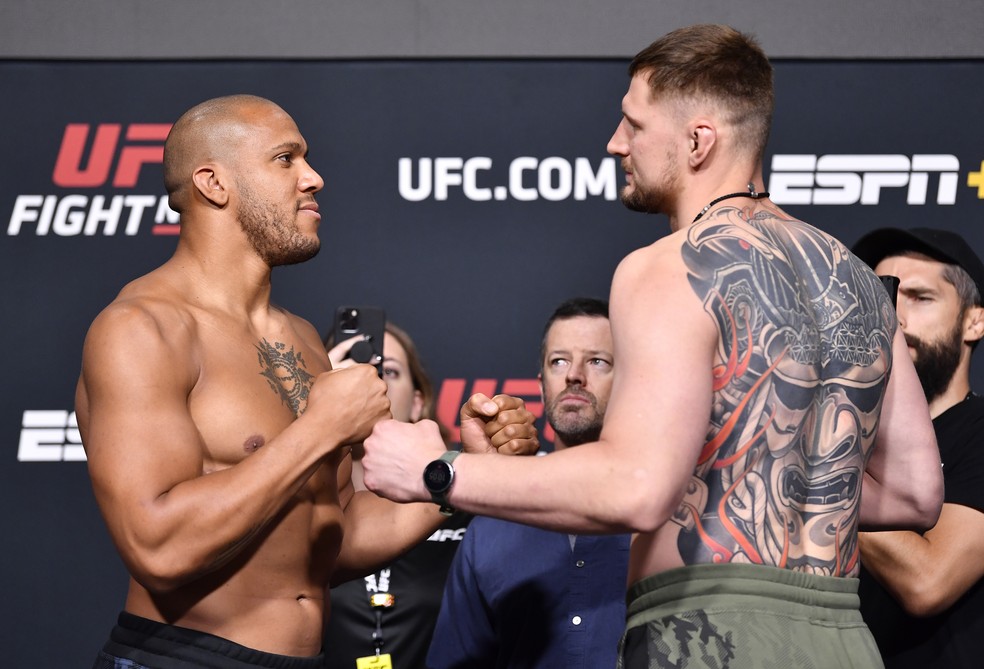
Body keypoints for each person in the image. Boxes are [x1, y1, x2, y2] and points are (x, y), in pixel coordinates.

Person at [360, 24, 945, 668]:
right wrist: (748, 486)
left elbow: (636, 488)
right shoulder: (857, 280)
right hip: (843, 638)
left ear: (698, 141)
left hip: (709, 636)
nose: (615, 143)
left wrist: (437, 471)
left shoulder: (671, 266)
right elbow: (916, 494)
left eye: (633, 125)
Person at [75, 94, 537, 668]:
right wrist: (320, 429)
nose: (313, 178)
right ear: (214, 184)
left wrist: (459, 471)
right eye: (285, 159)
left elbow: (332, 534)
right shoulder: (142, 329)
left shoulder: (299, 338)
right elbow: (157, 547)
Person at [427, 297, 629, 669]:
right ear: (541, 384)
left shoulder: (660, 512)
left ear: (630, 380)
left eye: (597, 361)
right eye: (559, 361)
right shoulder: (492, 525)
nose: (574, 375)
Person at [851, 227, 984, 668]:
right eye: (881, 298)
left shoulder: (978, 430)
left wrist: (815, 470)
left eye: (920, 298)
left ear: (975, 321)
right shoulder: (851, 441)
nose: (894, 319)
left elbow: (928, 580)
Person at [323, 322, 470, 669]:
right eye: (354, 368)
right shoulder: (295, 513)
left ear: (418, 403)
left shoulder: (460, 506)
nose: (369, 382)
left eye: (387, 371)